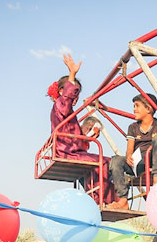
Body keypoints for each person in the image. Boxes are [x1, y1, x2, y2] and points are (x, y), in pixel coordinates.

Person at [48, 54, 116, 204]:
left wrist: (89, 135)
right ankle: (101, 200)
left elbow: (73, 136)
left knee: (105, 162)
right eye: (74, 92)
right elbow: (67, 97)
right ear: (62, 91)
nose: (75, 97)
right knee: (104, 163)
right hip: (67, 152)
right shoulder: (61, 104)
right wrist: (72, 74)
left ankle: (103, 197)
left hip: (70, 150)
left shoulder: (67, 112)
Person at [109, 93, 157, 210]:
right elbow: (130, 148)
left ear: (148, 109)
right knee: (115, 160)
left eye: (137, 106)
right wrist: (129, 155)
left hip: (155, 158)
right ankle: (123, 200)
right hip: (139, 161)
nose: (134, 109)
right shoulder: (133, 127)